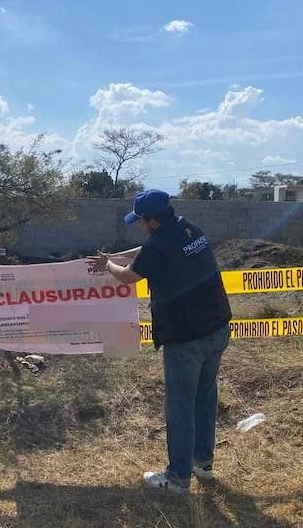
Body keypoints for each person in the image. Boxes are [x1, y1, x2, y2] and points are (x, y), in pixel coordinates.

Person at [87, 189, 232, 493]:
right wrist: (113, 256)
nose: (140, 225)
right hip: (217, 327)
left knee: (180, 407)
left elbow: (127, 276)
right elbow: (147, 252)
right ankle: (202, 463)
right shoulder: (187, 228)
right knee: (204, 397)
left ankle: (177, 478)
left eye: (141, 221)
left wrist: (106, 265)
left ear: (152, 221)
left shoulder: (158, 245)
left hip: (186, 337)